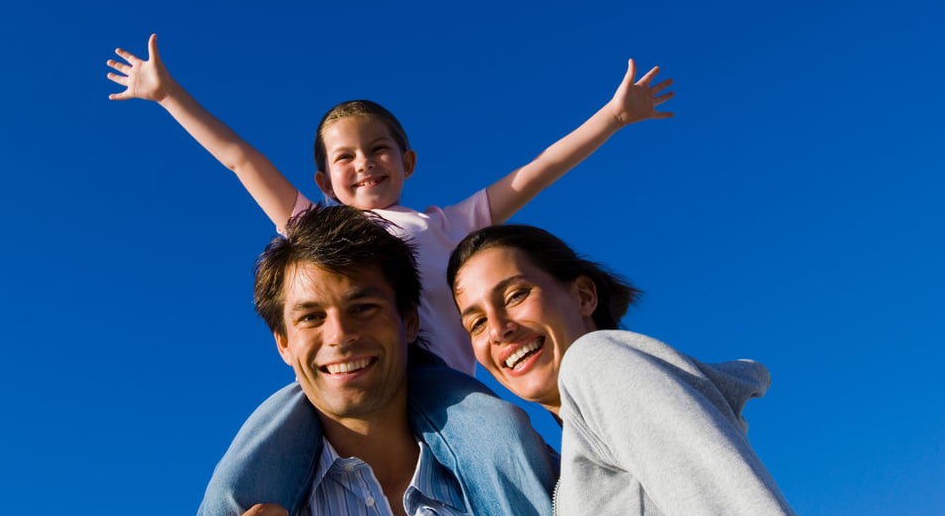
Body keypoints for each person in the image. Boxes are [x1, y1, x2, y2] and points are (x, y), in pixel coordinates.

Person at [106, 33, 673, 373]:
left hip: (445, 390)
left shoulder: (447, 225)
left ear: (408, 162)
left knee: (503, 449)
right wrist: (167, 95)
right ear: (324, 180)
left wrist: (614, 117)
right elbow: (240, 159)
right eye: (345, 158)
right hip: (354, 376)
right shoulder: (315, 229)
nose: (364, 163)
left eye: (379, 150)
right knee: (269, 436)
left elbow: (534, 173)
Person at [447, 224, 869, 516]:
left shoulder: (597, 363)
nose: (499, 330)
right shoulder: (577, 463)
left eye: (516, 295)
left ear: (583, 296)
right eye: (477, 322)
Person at [164, 205, 560, 516]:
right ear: (283, 344)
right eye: (311, 317)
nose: (340, 335)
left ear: (408, 320)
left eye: (363, 307)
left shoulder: (519, 480)